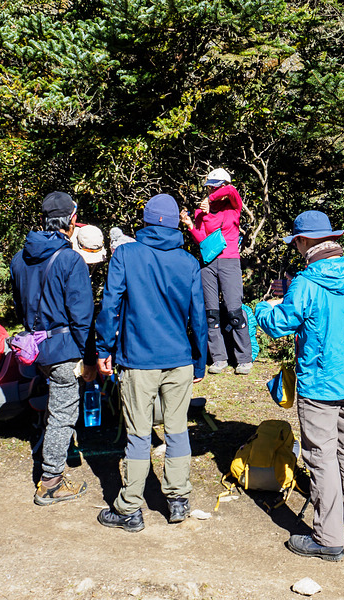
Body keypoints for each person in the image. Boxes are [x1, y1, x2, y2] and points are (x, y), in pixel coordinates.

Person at [254, 210, 344, 562]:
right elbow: (332, 313)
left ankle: (328, 539)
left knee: (320, 458)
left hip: (319, 382)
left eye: (296, 242)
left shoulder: (307, 281)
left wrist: (263, 307)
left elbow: (279, 324)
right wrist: (290, 295)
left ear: (304, 242)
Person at [95, 193, 208, 532]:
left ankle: (129, 507)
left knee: (138, 433)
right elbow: (198, 316)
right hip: (179, 359)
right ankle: (177, 500)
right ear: (176, 223)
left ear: (144, 220)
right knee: (176, 430)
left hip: (138, 360)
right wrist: (199, 362)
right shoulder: (188, 262)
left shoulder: (127, 255)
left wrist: (104, 348)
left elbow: (110, 303)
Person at [11, 191, 95, 505]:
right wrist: (89, 358)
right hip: (64, 349)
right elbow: (82, 315)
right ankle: (51, 482)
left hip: (36, 347)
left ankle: (51, 467)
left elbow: (20, 307)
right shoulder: (70, 259)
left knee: (54, 408)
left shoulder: (20, 258)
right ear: (71, 219)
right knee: (62, 413)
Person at [179, 168, 252, 375]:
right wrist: (191, 226)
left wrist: (210, 199)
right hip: (208, 263)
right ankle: (219, 358)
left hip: (229, 261)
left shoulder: (233, 205)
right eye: (210, 185)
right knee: (211, 313)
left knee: (234, 310)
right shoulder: (201, 211)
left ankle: (244, 358)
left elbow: (231, 190)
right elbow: (203, 240)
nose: (212, 187)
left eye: (216, 185)